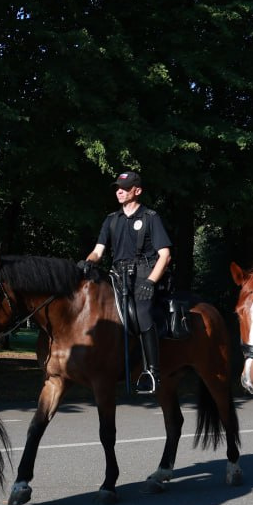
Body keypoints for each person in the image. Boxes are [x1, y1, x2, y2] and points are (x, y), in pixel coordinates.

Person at [81, 170, 172, 396]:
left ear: (137, 191)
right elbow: (98, 251)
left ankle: (152, 372)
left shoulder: (151, 218)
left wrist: (150, 282)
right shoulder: (111, 220)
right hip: (117, 277)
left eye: (125, 187)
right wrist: (88, 262)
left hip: (144, 275)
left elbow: (165, 255)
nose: (119, 191)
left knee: (141, 313)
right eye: (117, 188)